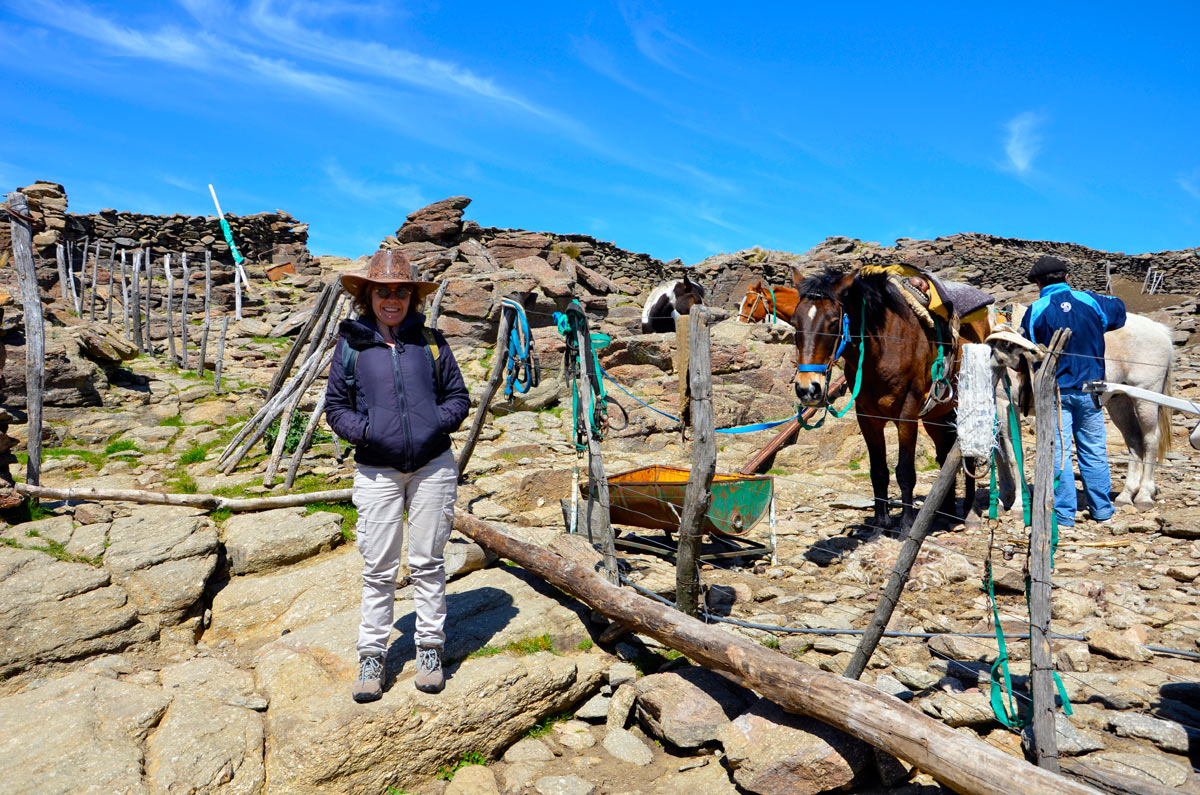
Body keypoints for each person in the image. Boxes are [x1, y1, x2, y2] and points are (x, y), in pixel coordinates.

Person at [324, 249, 470, 701]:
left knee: (428, 562)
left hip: (433, 466)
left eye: (401, 290)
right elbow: (335, 406)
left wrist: (434, 423)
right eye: (383, 290)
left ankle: (429, 647)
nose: (392, 298)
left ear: (412, 296)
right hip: (376, 470)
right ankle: (372, 655)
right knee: (379, 568)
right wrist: (366, 432)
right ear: (368, 295)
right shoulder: (351, 345)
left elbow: (458, 397)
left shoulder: (431, 342)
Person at [1020, 255, 1126, 528]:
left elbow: (1026, 348)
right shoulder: (1090, 301)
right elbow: (1119, 311)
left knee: (1059, 450)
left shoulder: (1036, 310)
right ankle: (1102, 510)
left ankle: (1065, 514)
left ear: (1038, 282)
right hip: (1091, 390)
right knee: (1093, 450)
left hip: (1056, 392)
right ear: (1067, 277)